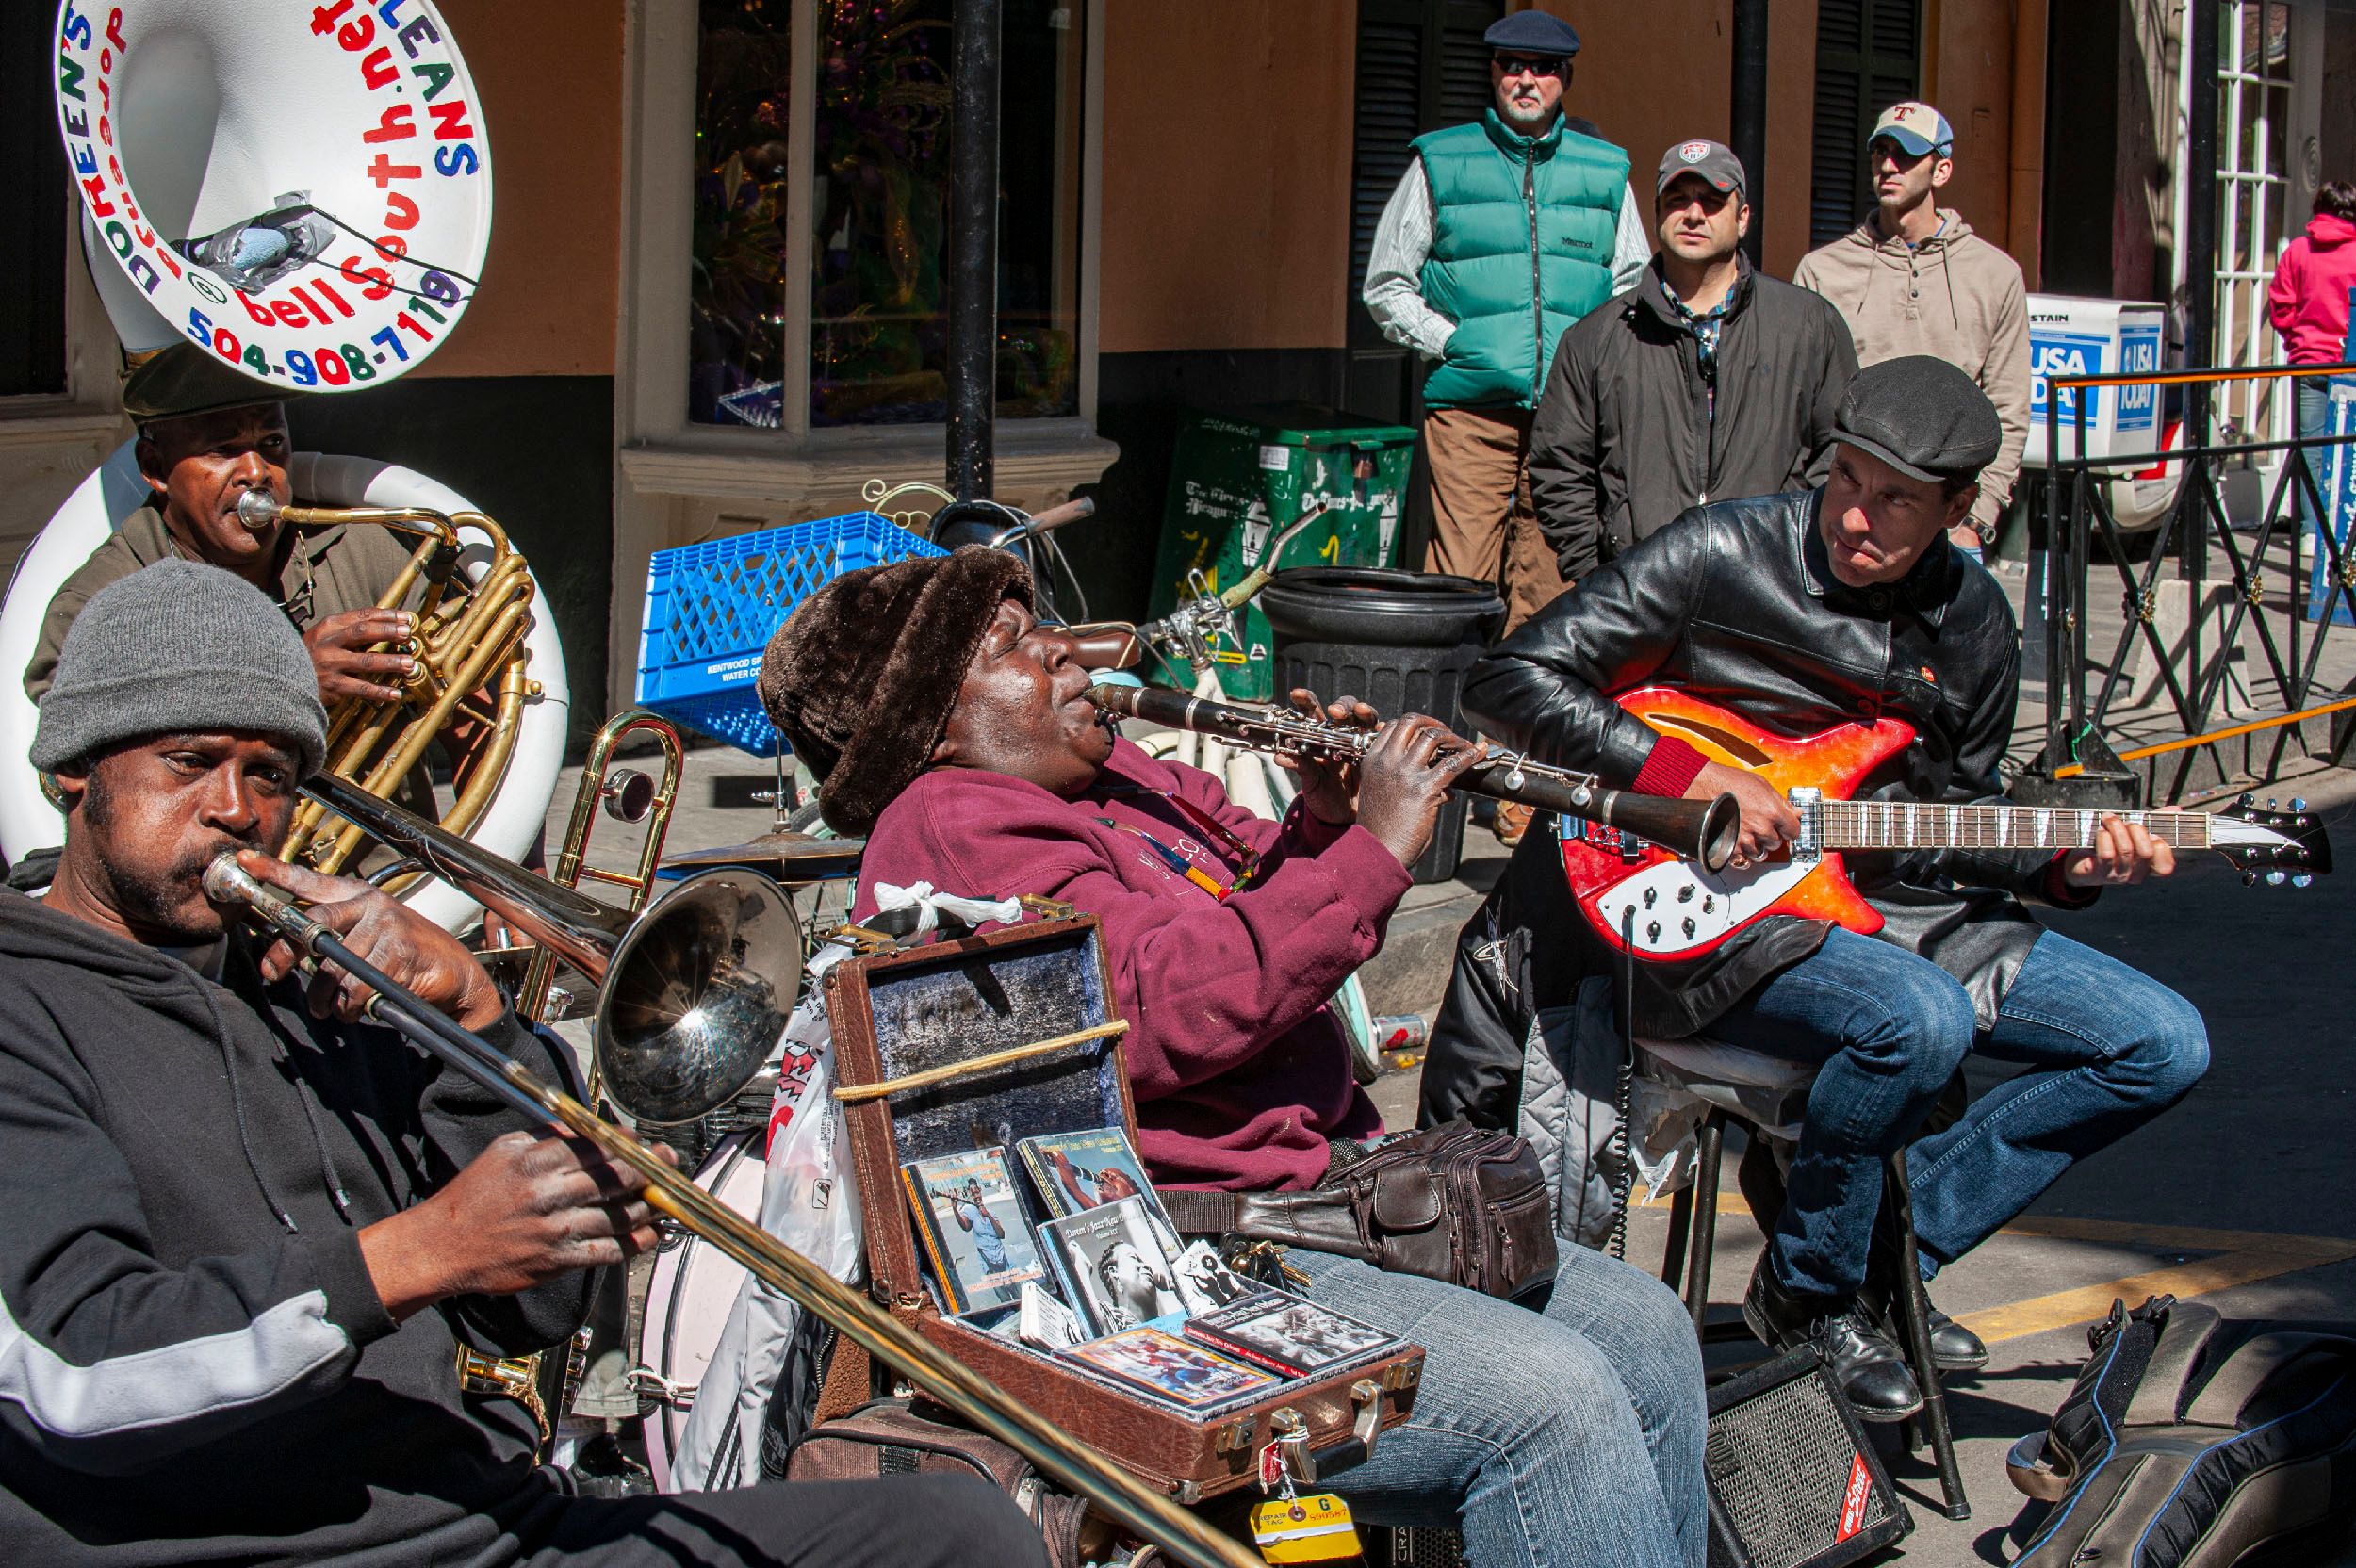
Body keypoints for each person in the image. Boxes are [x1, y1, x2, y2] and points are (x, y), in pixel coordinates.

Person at [0, 559, 1048, 1568]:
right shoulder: (20, 1005)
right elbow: (74, 1367)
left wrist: (473, 1009)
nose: (238, 807)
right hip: (229, 1541)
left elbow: (534, 1311)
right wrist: (421, 1251)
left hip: (479, 1519)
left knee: (957, 1529)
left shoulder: (304, 980)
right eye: (189, 761)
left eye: (270, 774)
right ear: (74, 770)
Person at [758, 547, 1709, 1568]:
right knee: (1552, 1405)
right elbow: (1166, 1007)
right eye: (1014, 645)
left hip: (1316, 1194)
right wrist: (1376, 851)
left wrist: (1327, 820)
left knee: (1650, 1331)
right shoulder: (952, 822)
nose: (1064, 650)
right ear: (928, 723)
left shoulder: (1116, 771)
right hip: (1186, 1247)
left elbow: (1259, 905)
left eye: (1044, 623)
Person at [1425, 357, 2209, 1419]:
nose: (1854, 515)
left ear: (1957, 508)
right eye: (1846, 478)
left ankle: (1876, 1254)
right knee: (1918, 1020)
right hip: (1691, 904)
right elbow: (1507, 677)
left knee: (2160, 1042)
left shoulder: (1972, 623)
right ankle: (1816, 1294)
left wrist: (2062, 864)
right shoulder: (1721, 551)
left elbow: (1951, 826)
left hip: (1877, 898)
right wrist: (1680, 773)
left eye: (1894, 500)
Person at [1362, 11, 1649, 625]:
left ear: (1563, 78)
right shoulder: (1442, 161)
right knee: (1459, 582)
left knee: (1550, 582)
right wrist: (1457, 344)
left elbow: (1633, 288)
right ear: (1493, 73)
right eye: (1512, 65)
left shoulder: (1605, 171)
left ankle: (1520, 720)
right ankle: (1445, 715)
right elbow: (1386, 285)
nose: (1526, 79)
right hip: (1472, 412)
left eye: (1542, 68)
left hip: (1570, 419)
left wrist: (1597, 374)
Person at [25, 344, 424, 710]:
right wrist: (284, 682)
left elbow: (465, 707)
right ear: (155, 467)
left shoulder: (368, 548)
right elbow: (76, 733)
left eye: (271, 444)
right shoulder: (100, 600)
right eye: (223, 450)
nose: (256, 472)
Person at [1531, 139, 1857, 580]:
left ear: (1743, 218)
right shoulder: (1595, 339)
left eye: (1712, 201)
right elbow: (1559, 467)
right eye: (1678, 200)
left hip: (1769, 585)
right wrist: (1597, 578)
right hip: (1641, 591)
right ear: (1657, 214)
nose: (1694, 214)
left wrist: (1801, 552)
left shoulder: (1809, 326)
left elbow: (1840, 449)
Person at [1795, 103, 2030, 562]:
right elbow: (1802, 405)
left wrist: (1976, 520)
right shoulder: (1823, 270)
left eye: (1905, 154)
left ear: (1941, 169)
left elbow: (2009, 406)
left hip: (1943, 520)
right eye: (1880, 151)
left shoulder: (1995, 275)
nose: (1888, 165)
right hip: (1846, 521)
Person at [2267, 179, 2356, 531]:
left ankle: (2310, 533)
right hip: (2349, 362)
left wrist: (2298, 339)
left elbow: (2280, 308)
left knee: (2310, 450)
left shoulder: (2298, 252)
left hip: (2309, 360)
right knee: (2349, 452)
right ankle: (2344, 536)